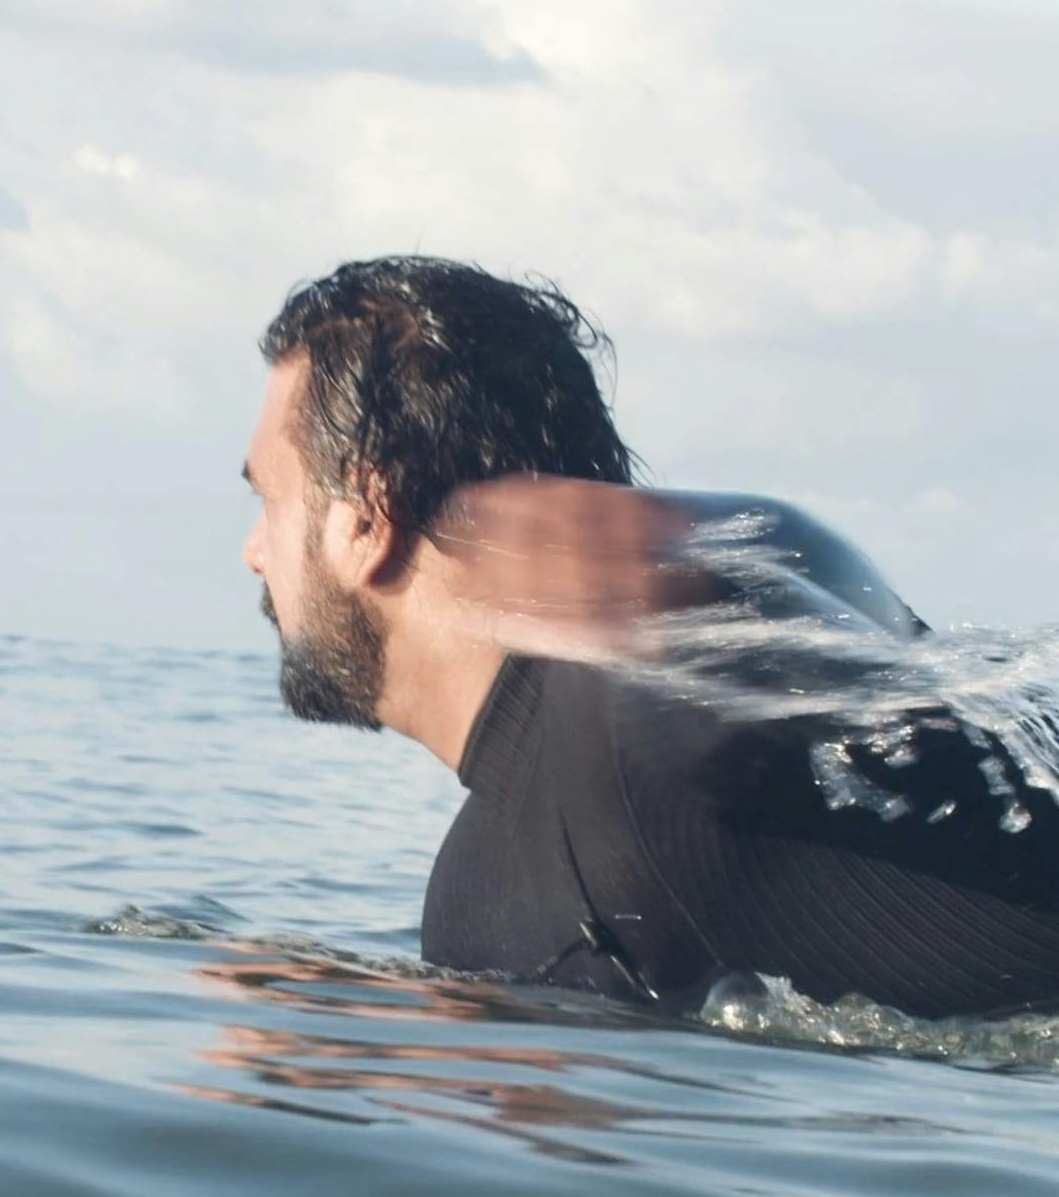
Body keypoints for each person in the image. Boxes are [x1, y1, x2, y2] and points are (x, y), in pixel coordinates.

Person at [241, 255, 1059, 1019]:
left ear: (367, 520)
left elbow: (813, 651)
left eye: (270, 502)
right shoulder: (474, 895)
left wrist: (675, 569)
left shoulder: (629, 720)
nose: (254, 554)